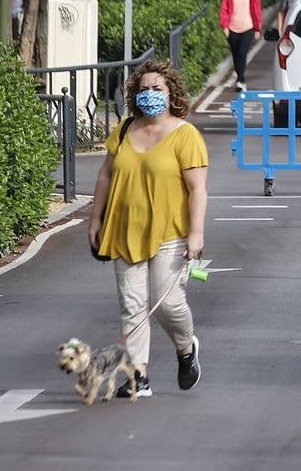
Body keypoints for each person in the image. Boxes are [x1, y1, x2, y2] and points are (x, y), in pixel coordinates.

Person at [89, 60, 207, 398]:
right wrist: (95, 219)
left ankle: (186, 348)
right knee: (133, 305)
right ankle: (137, 375)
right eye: (143, 90)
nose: (150, 95)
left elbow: (197, 188)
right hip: (126, 231)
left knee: (167, 303)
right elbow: (106, 175)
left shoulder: (185, 135)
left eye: (157, 89)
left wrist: (196, 234)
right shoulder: (125, 129)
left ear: (171, 94)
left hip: (171, 233)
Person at [220, 0, 261, 92]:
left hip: (247, 27)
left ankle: (241, 80)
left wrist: (257, 28)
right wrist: (225, 26)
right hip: (233, 28)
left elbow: (257, 9)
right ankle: (239, 77)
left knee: (242, 52)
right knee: (236, 54)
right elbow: (224, 9)